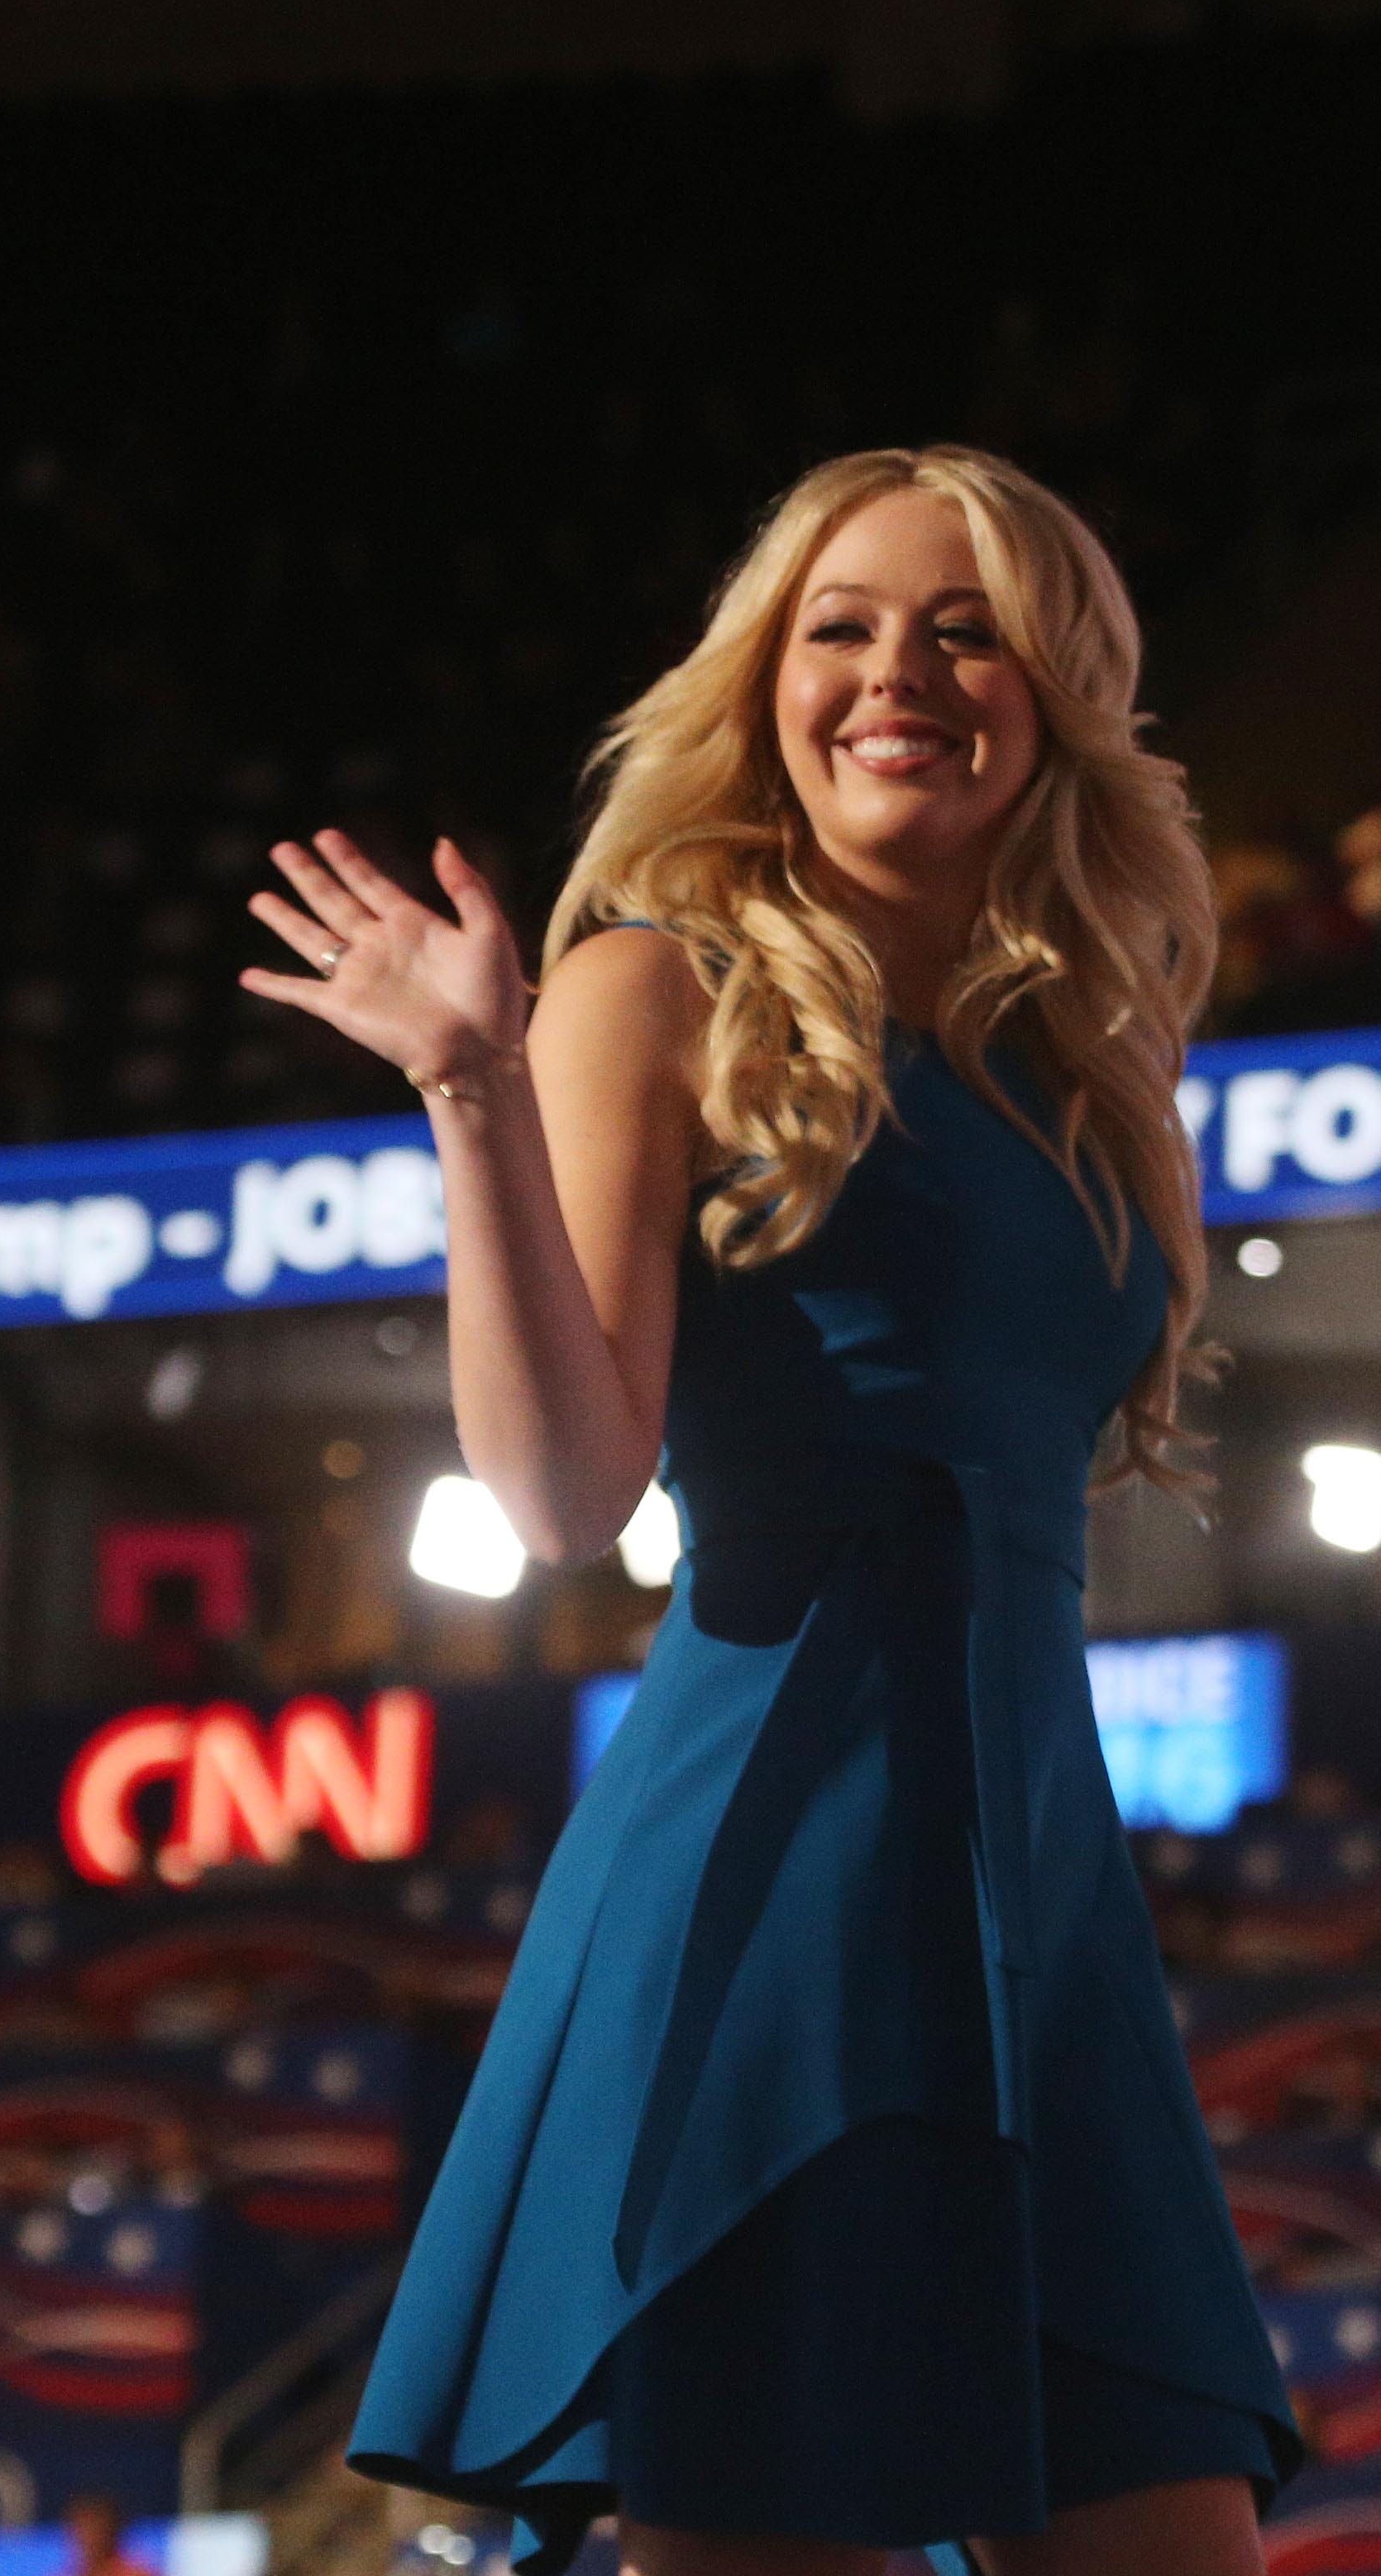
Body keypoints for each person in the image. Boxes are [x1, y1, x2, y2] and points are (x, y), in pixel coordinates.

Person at [249, 447, 1298, 2576]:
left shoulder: (1098, 1055)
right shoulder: (654, 982)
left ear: (1056, 687)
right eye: (840, 624)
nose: (893, 671)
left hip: (1039, 1891)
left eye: (961, 622)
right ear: (766, 680)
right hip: (776, 1881)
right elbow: (558, 1498)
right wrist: (472, 1096)